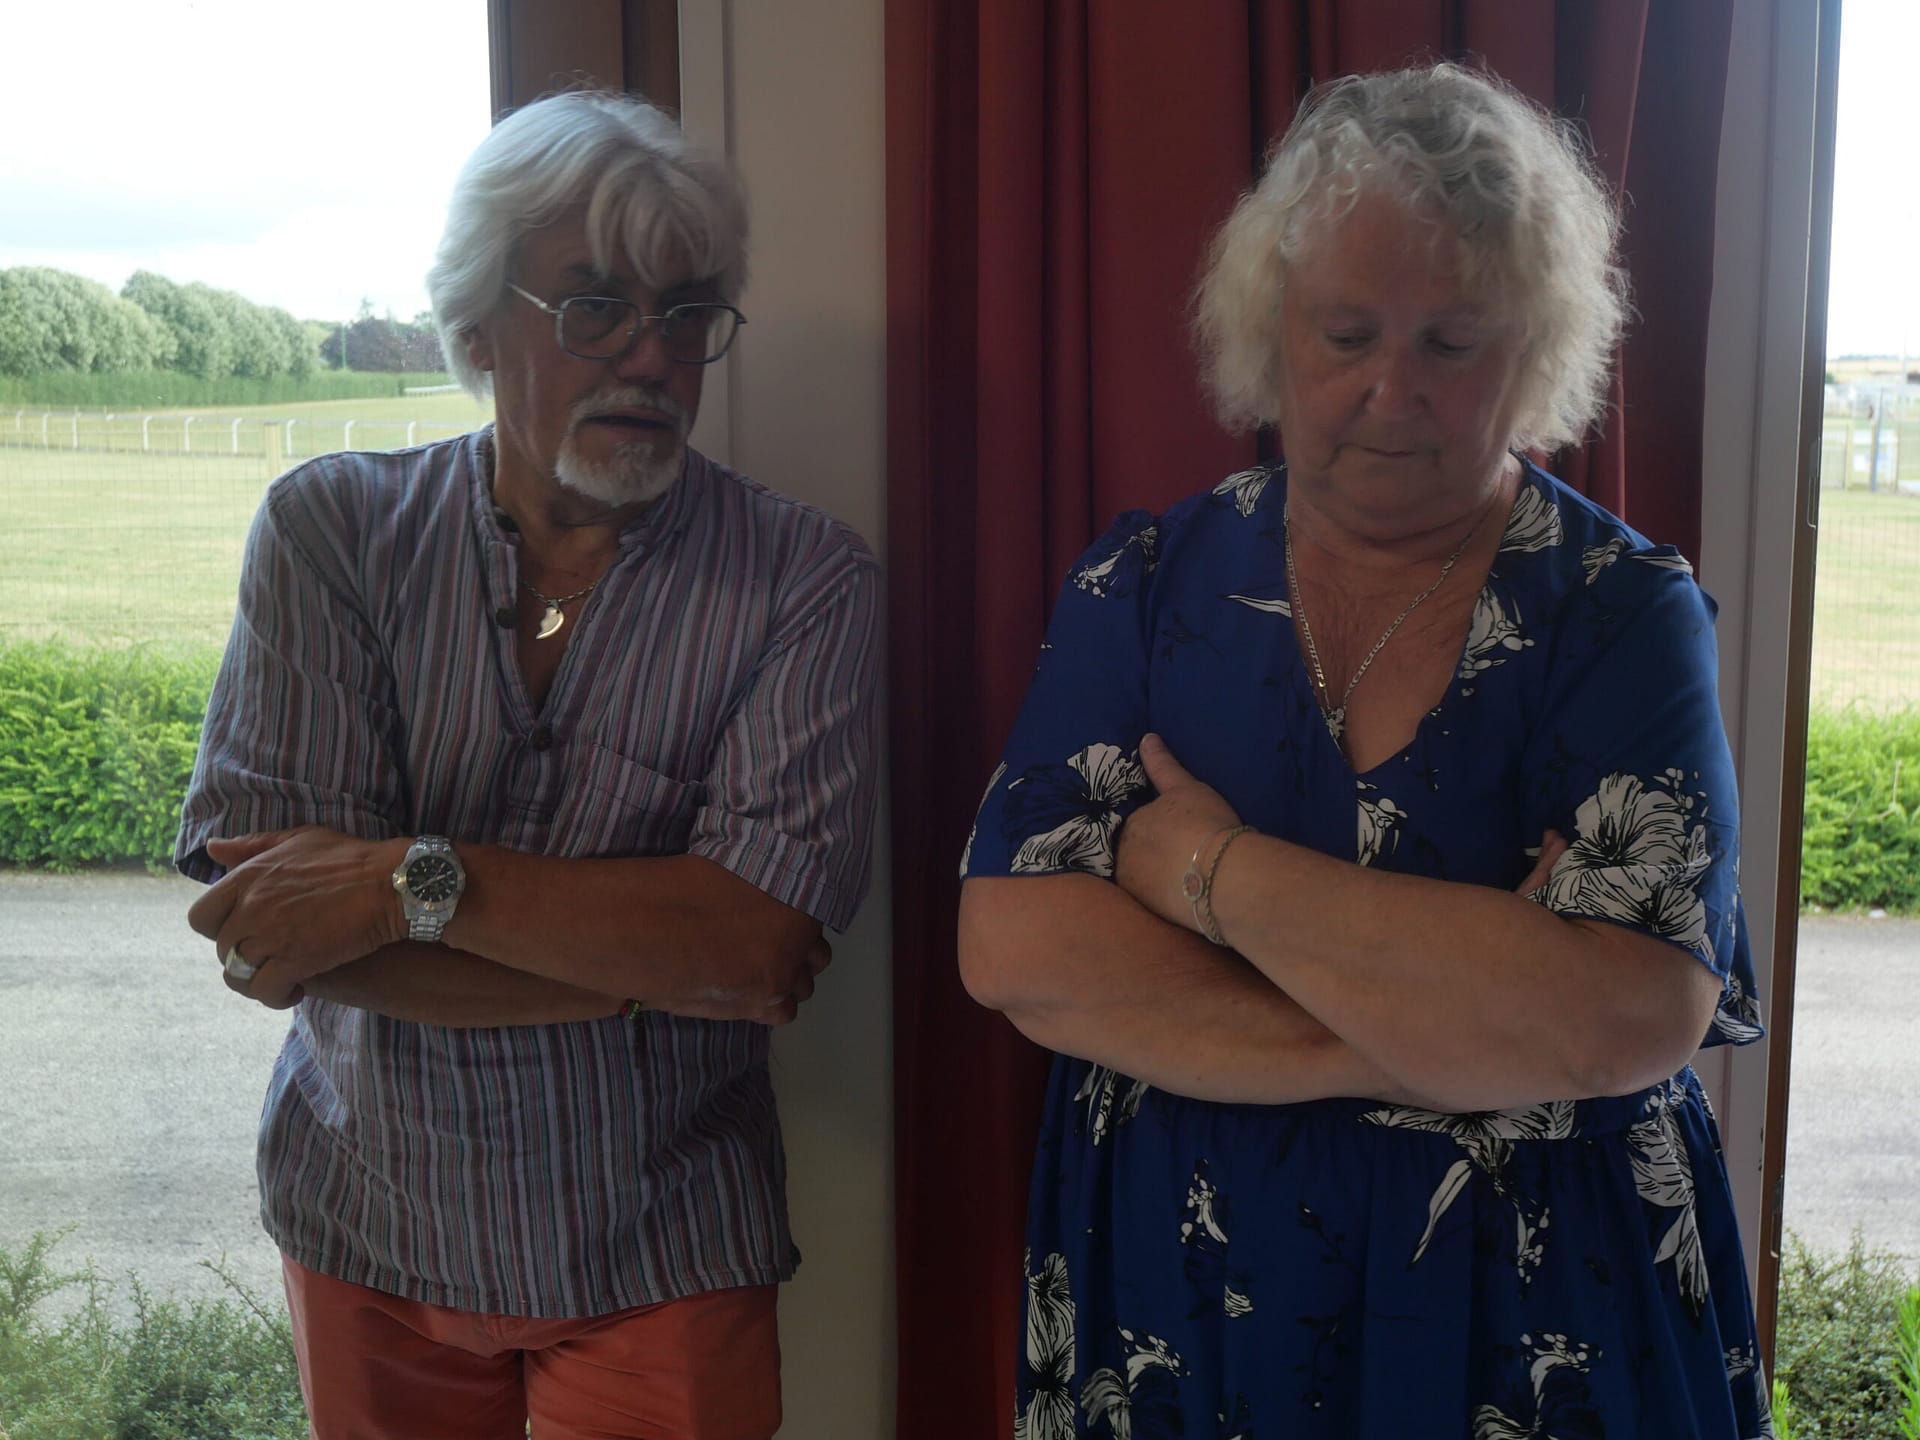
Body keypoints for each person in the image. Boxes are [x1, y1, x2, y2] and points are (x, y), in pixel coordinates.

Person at [958, 63, 1771, 1438]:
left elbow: (1624, 1013)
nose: (1392, 388)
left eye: (1452, 341)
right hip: (1183, 1292)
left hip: (1540, 1304)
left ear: (1534, 348)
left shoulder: (1623, 612)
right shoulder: (1144, 582)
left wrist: (1205, 872)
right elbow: (1017, 949)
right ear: (1270, 333)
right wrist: (1444, 1036)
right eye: (1346, 333)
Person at [175, 90, 879, 1440]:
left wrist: (399, 883)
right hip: (367, 1221)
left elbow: (756, 950)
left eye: (687, 313)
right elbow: (271, 937)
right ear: (477, 325)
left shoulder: (804, 577)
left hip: (665, 1239)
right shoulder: (332, 532)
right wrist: (644, 963)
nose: (652, 357)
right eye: (595, 307)